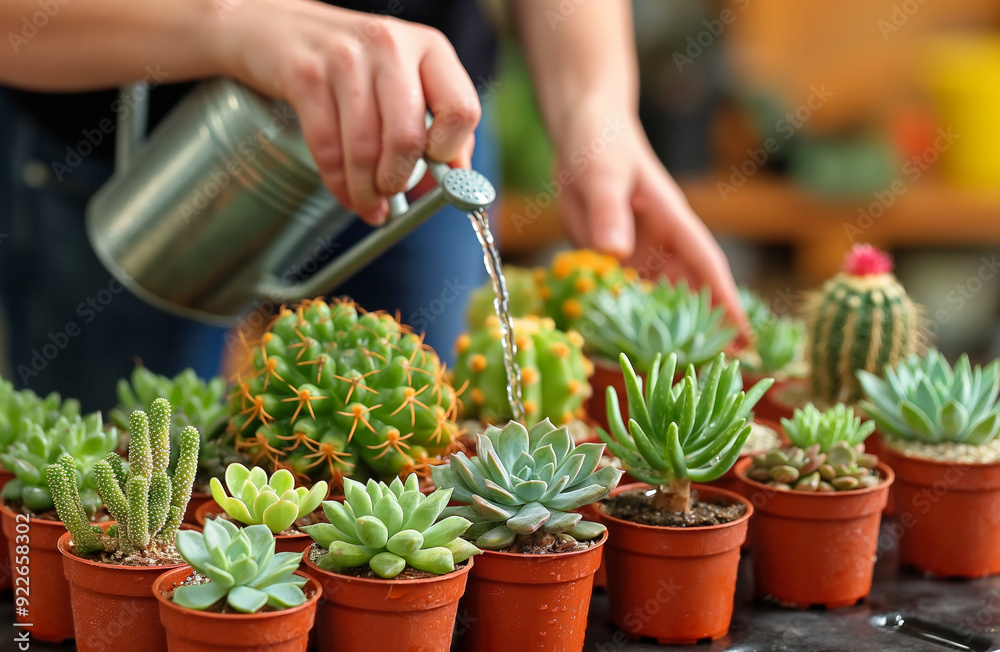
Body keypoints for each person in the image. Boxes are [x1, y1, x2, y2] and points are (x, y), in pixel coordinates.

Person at [0, 0, 747, 409]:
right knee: (119, 495)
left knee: (414, 427)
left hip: (423, 138)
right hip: (127, 156)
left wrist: (596, 111)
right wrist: (221, 21)